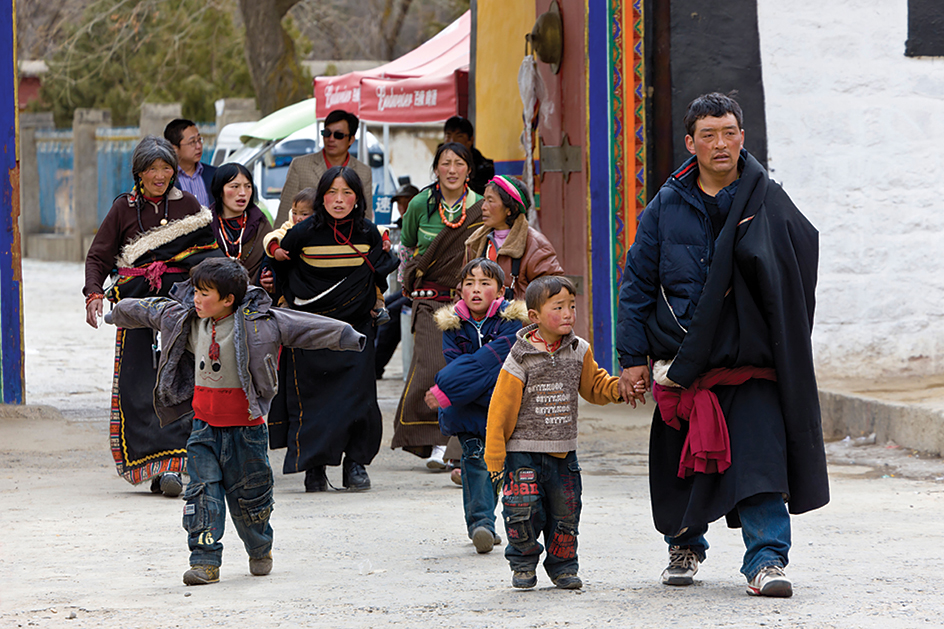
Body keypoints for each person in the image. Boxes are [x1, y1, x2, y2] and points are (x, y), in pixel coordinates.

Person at [616, 92, 828, 598]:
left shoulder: (767, 200)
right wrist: (631, 359)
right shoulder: (666, 207)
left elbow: (797, 265)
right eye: (707, 134)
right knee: (683, 468)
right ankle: (685, 545)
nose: (720, 143)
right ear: (690, 143)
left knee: (760, 465)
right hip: (684, 364)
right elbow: (638, 285)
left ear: (742, 137)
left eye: (728, 132)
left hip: (749, 361)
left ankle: (767, 560)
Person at [104, 257, 366, 585]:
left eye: (204, 294)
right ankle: (205, 562)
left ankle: (260, 548)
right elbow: (149, 309)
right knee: (201, 495)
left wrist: (348, 336)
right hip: (203, 429)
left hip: (247, 432)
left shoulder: (262, 324)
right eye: (196, 292)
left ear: (228, 299)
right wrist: (116, 313)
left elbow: (304, 326)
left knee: (251, 501)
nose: (196, 299)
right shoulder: (184, 319)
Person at [83, 135, 221, 497]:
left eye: (166, 168)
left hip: (180, 310)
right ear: (138, 173)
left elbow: (208, 255)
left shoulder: (189, 205)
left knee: (179, 382)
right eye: (151, 169)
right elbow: (99, 256)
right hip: (137, 310)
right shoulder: (123, 209)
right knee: (140, 385)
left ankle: (176, 467)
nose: (160, 176)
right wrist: (94, 293)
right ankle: (153, 464)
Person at [484, 276, 623, 590]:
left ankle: (563, 567)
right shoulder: (521, 357)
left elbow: (595, 386)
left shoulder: (578, 350)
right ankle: (522, 564)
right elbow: (501, 409)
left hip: (563, 453)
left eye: (572, 306)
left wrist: (620, 389)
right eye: (558, 307)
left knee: (566, 513)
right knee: (522, 512)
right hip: (522, 452)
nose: (568, 314)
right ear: (534, 316)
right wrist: (495, 456)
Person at [267, 166, 398, 492]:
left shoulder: (368, 233)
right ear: (322, 196)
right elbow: (280, 263)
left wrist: (369, 300)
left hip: (357, 329)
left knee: (359, 399)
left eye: (347, 194)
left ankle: (355, 464)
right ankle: (314, 468)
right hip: (311, 332)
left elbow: (380, 270)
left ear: (358, 198)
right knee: (313, 401)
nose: (339, 201)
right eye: (332, 194)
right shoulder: (304, 232)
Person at [425, 259, 528, 553]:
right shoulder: (452, 325)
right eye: (469, 284)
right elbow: (459, 368)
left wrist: (450, 386)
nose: (476, 290)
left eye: (485, 283)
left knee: (498, 468)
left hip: (502, 409)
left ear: (499, 290)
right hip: (467, 411)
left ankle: (489, 521)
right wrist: (463, 383)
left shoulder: (512, 325)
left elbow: (494, 366)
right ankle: (481, 524)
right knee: (474, 463)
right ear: (460, 290)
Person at [391, 142, 484, 469]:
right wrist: (408, 285)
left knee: (467, 372)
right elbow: (407, 248)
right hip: (430, 303)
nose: (453, 170)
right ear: (436, 169)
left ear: (468, 169)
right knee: (433, 367)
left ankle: (457, 448)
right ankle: (434, 442)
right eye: (446, 163)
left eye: (459, 163)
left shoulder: (480, 207)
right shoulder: (419, 205)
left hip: (471, 304)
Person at [464, 175, 564, 300]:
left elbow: (553, 291)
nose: (483, 207)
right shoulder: (475, 242)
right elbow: (462, 287)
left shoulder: (535, 245)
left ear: (511, 208)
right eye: (484, 200)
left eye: (490, 201)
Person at [277, 109, 373, 226]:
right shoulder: (300, 165)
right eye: (327, 133)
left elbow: (365, 216)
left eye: (338, 135)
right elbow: (285, 211)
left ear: (351, 139)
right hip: (306, 238)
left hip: (347, 239)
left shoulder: (363, 172)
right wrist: (276, 241)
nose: (331, 139)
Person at [374, 183, 420, 379]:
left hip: (421, 287)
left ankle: (375, 366)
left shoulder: (421, 224)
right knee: (381, 307)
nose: (402, 208)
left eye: (406, 203)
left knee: (390, 314)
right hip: (406, 286)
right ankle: (371, 362)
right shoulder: (400, 224)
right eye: (399, 204)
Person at [209, 163, 273, 283]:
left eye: (248, 186)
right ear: (220, 190)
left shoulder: (260, 223)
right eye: (235, 186)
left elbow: (270, 261)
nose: (242, 192)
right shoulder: (206, 224)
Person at [164, 118, 216, 208]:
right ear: (174, 148)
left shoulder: (214, 174)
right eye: (192, 142)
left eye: (199, 140)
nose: (199, 146)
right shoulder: (165, 179)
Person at [443, 116, 494, 195]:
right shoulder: (441, 162)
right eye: (448, 136)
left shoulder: (484, 168)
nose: (452, 141)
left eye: (459, 136)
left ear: (470, 140)